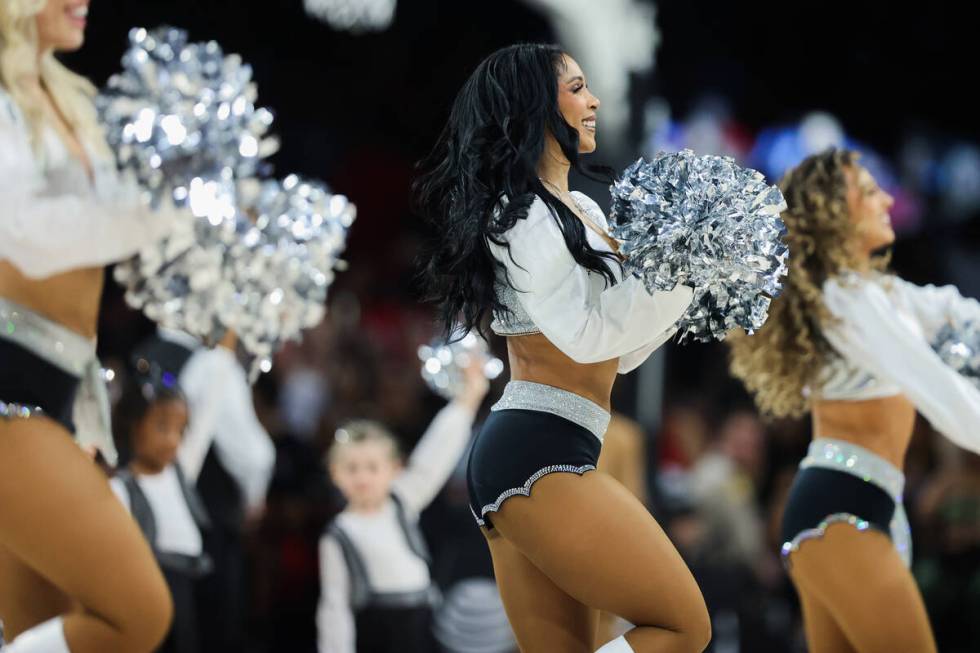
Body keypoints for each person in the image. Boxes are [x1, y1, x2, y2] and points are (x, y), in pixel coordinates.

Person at [414, 43, 710, 653]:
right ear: (533, 107)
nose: (594, 99)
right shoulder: (520, 218)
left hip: (545, 446)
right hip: (537, 450)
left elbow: (618, 352)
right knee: (684, 626)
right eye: (576, 88)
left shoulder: (576, 208)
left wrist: (693, 278)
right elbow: (585, 335)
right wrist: (681, 275)